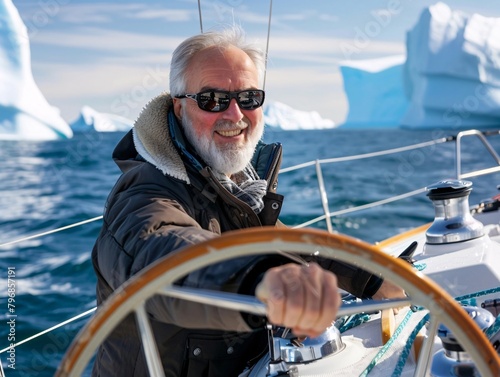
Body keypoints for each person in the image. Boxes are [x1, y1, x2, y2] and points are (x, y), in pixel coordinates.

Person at [91, 27, 404, 377]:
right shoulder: (143, 193)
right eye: (213, 99)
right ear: (179, 108)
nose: (235, 114)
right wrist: (261, 280)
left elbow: (285, 241)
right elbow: (162, 255)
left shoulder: (237, 184)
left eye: (249, 97)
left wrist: (371, 278)